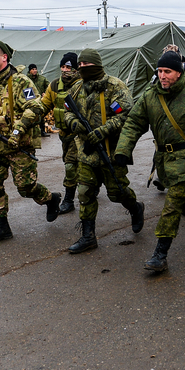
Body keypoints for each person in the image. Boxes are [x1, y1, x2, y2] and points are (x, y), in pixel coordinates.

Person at [115, 51, 185, 272]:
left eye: (168, 71)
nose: (162, 76)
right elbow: (134, 122)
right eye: (160, 71)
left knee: (172, 205)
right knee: (183, 200)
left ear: (179, 72)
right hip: (164, 158)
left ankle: (160, 254)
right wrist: (123, 150)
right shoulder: (150, 95)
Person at [0, 41, 61, 243]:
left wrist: (18, 129)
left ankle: (50, 198)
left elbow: (36, 107)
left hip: (19, 145)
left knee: (26, 187)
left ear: (4, 57)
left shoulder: (21, 82)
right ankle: (2, 227)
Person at [63, 48, 144, 254]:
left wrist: (103, 131)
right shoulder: (77, 88)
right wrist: (75, 124)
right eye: (79, 65)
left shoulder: (115, 86)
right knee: (85, 192)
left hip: (111, 150)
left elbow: (126, 114)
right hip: (86, 152)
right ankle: (88, 236)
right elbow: (67, 113)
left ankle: (135, 208)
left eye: (86, 65)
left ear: (97, 65)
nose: (82, 68)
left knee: (117, 193)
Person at [40, 52, 82, 214]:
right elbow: (44, 105)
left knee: (71, 165)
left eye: (69, 67)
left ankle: (69, 200)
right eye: (63, 67)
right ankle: (93, 185)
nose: (65, 70)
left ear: (77, 69)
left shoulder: (83, 85)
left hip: (80, 134)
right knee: (70, 162)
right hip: (64, 134)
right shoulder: (55, 85)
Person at [27, 64, 50, 136]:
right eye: (33, 69)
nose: (35, 71)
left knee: (41, 115)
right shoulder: (26, 79)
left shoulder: (42, 79)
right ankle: (32, 132)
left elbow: (49, 86)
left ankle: (42, 131)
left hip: (40, 100)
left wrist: (45, 93)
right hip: (30, 100)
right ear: (30, 70)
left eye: (35, 69)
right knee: (30, 116)